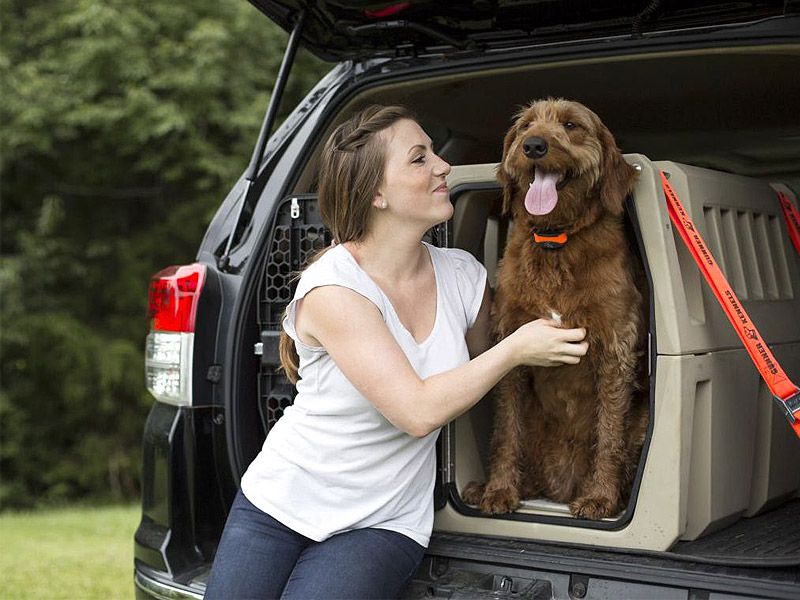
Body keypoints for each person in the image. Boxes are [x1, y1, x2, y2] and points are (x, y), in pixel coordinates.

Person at [203, 105, 588, 600]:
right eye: (419, 159)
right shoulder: (334, 287)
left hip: (384, 522)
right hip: (280, 504)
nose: (442, 166)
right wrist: (516, 348)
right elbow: (419, 410)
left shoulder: (463, 276)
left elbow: (499, 370)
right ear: (377, 195)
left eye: (434, 154)